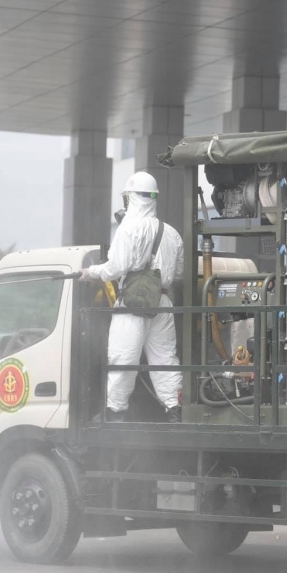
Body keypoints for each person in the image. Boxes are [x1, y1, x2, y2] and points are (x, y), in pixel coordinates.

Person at [80, 171, 184, 422]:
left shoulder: (128, 229)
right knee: (165, 358)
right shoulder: (171, 233)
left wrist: (91, 272)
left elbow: (115, 268)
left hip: (133, 304)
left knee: (123, 357)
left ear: (132, 199)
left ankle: (115, 412)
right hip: (162, 303)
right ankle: (174, 410)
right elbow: (179, 272)